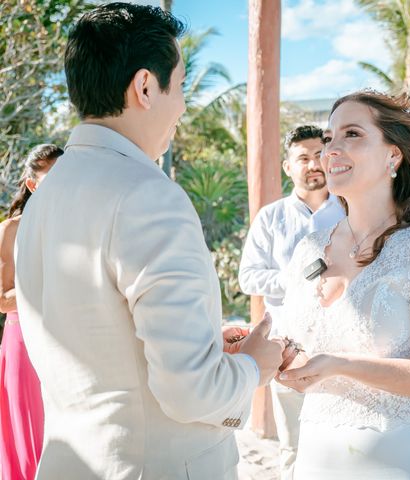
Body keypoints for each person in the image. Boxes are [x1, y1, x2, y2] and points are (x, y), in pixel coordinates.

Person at [13, 4, 283, 479]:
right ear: (144, 87)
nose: (181, 105)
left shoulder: (45, 196)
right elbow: (190, 392)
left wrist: (203, 346)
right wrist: (255, 368)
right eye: (177, 86)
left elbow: (97, 335)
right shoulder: (147, 196)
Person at [275, 90, 410, 479]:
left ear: (393, 155)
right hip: (318, 457)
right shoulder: (310, 248)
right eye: (329, 137)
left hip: (407, 460)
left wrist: (340, 366)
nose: (330, 149)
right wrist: (262, 347)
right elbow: (294, 344)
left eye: (351, 134)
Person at [238, 125, 345, 479]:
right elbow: (248, 276)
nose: (313, 164)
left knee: (342, 445)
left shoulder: (349, 210)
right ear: (288, 167)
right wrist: (293, 278)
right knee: (293, 447)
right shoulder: (271, 217)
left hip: (344, 344)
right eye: (303, 158)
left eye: (319, 155)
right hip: (289, 349)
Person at [0, 144, 62, 480]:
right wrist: (44, 286)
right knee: (28, 436)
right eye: (52, 178)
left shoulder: (77, 225)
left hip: (68, 338)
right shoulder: (11, 230)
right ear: (33, 184)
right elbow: (1, 299)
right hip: (24, 339)